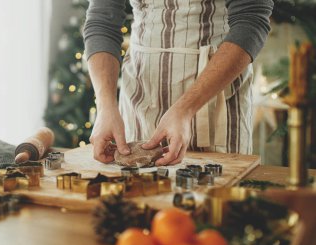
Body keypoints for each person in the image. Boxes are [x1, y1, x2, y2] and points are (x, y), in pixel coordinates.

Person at [83, 0, 273, 166]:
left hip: (215, 96)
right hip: (140, 96)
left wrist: (185, 109)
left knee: (217, 201)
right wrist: (105, 105)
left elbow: (251, 21)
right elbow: (102, 24)